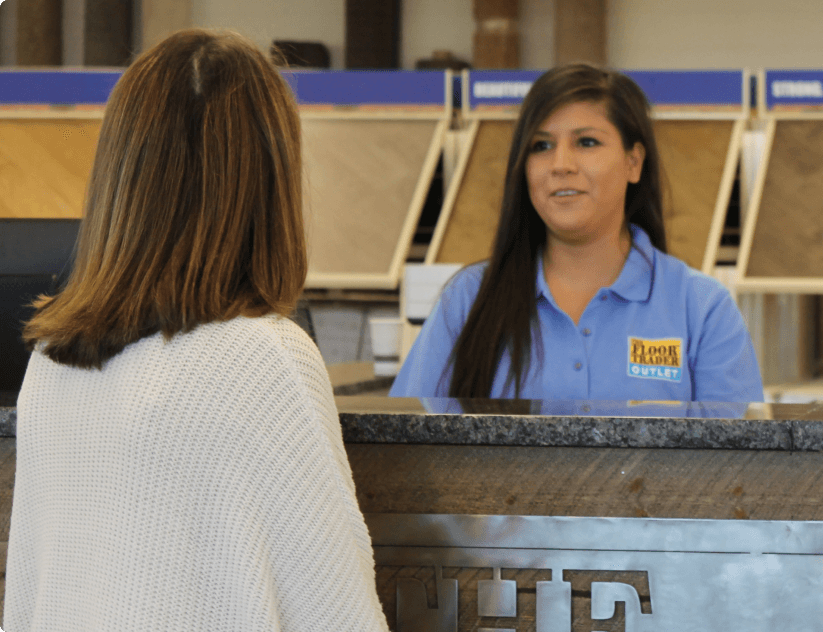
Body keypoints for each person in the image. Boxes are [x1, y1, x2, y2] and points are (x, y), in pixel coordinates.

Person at [5, 29, 389, 631]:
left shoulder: (52, 360)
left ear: (121, 174)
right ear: (268, 181)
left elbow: (26, 598)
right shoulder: (266, 358)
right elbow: (337, 615)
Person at [391, 63, 763, 403]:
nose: (560, 165)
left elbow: (739, 467)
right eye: (542, 146)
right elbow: (405, 447)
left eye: (586, 142)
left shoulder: (700, 309)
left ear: (633, 162)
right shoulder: (468, 300)